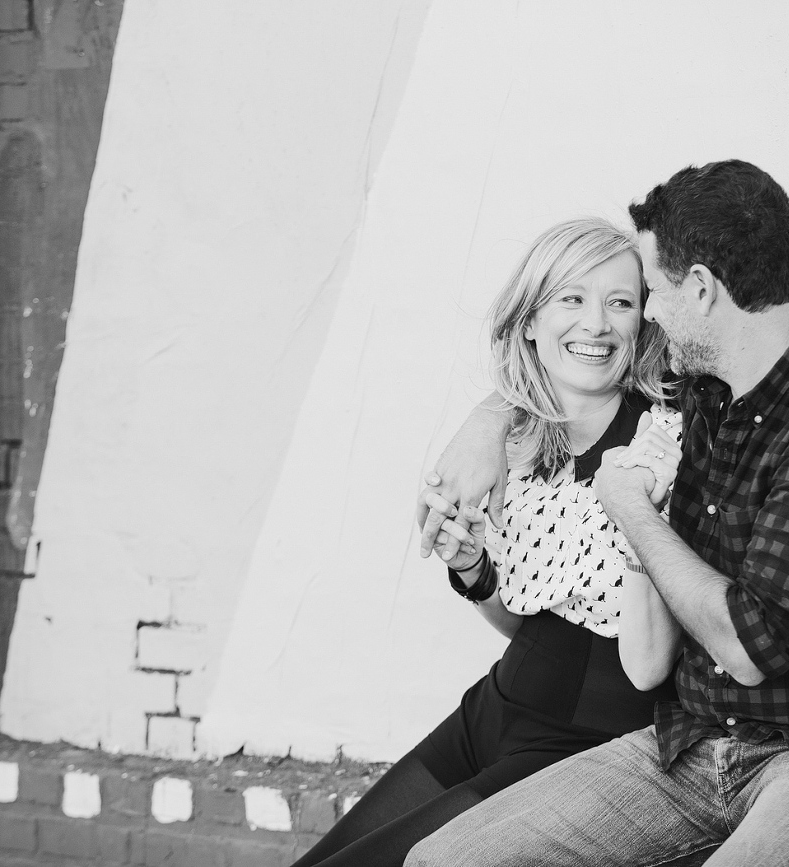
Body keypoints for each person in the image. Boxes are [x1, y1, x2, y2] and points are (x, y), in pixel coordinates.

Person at [409, 160, 789, 867]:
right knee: (444, 860)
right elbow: (564, 368)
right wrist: (485, 422)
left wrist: (630, 511)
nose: (642, 313)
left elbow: (745, 645)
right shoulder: (705, 388)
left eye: (650, 292)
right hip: (702, 741)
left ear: (700, 289)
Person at [289, 218, 685, 867]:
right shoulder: (517, 443)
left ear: (641, 320)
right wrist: (472, 569)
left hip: (579, 747)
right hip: (490, 714)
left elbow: (651, 653)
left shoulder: (659, 444)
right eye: (572, 298)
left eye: (619, 301)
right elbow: (531, 617)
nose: (596, 324)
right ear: (530, 318)